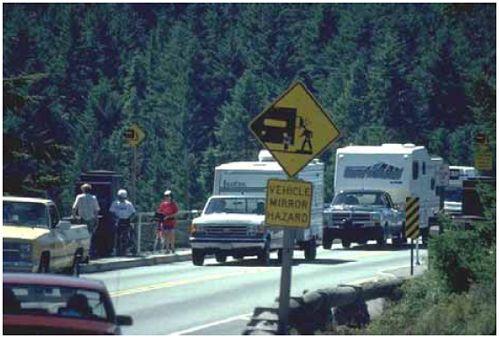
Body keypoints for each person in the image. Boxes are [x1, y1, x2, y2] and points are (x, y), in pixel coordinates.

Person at [72, 184, 100, 256]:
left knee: (80, 236)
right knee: (89, 235)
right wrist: (96, 219)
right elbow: (96, 210)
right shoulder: (93, 198)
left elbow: (74, 207)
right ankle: (88, 252)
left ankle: (80, 251)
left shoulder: (79, 197)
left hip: (81, 218)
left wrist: (75, 217)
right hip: (91, 218)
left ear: (82, 189)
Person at [109, 189, 136, 256]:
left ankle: (126, 250)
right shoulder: (115, 203)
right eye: (120, 197)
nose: (122, 198)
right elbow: (111, 212)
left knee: (127, 236)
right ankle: (115, 250)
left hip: (126, 220)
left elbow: (133, 213)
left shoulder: (129, 204)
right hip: (118, 220)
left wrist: (130, 219)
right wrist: (115, 219)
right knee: (116, 236)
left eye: (123, 197)